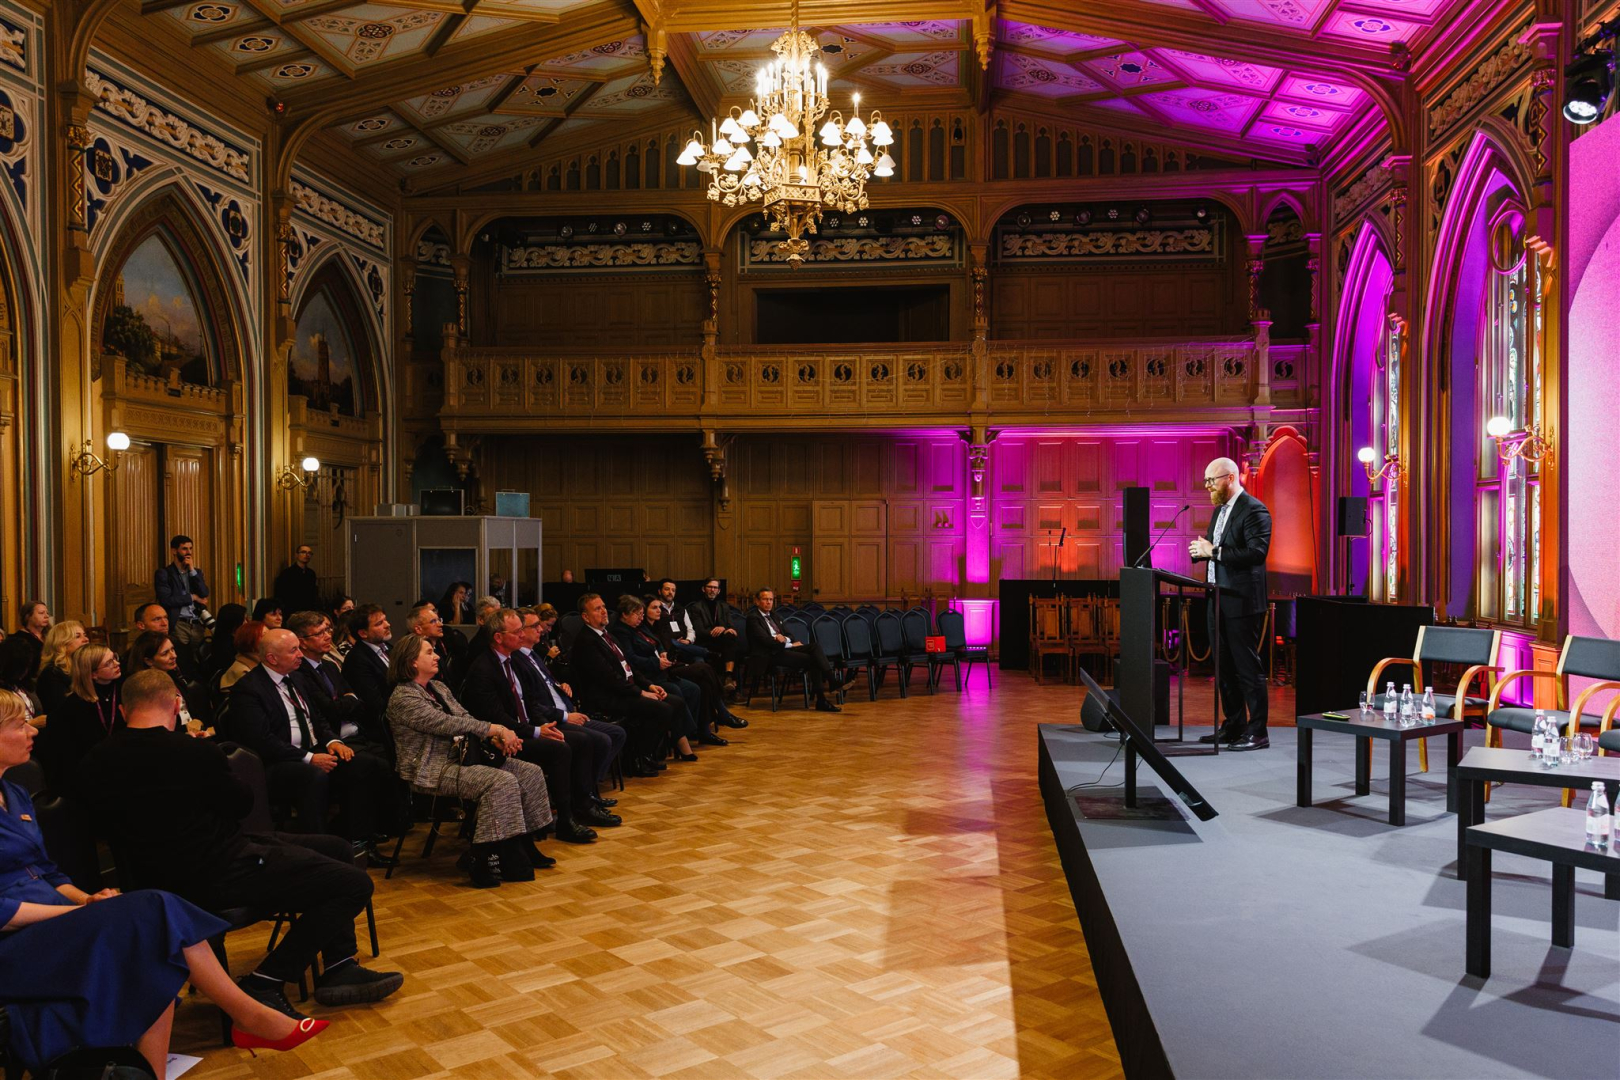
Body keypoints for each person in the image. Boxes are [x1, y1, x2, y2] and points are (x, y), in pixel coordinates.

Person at [0, 693, 325, 1076]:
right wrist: (76, 913)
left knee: (156, 947)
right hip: (15, 943)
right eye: (19, 725)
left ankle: (157, 1069)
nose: (32, 731)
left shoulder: (14, 794)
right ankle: (249, 1017)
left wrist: (87, 899)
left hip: (53, 922)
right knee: (156, 909)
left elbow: (48, 872)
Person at [80, 670, 403, 1021]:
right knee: (354, 883)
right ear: (175, 704)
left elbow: (96, 827)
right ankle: (265, 981)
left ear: (124, 710)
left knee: (336, 849)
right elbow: (240, 804)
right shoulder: (193, 752)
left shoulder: (96, 759)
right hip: (217, 871)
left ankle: (339, 966)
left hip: (152, 877)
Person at [385, 634, 555, 887]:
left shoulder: (438, 688)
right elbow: (446, 724)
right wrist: (496, 729)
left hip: (463, 758)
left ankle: (523, 844)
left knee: (529, 772)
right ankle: (480, 856)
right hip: (432, 770)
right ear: (411, 662)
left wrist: (493, 738)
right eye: (429, 652)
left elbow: (465, 717)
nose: (437, 656)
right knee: (500, 782)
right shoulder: (403, 698)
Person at [226, 629, 396, 861]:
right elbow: (261, 740)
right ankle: (318, 853)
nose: (300, 654)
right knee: (313, 776)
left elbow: (318, 719)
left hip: (313, 749)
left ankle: (358, 844)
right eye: (293, 650)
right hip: (277, 761)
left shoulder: (296, 678)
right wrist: (309, 758)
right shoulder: (248, 689)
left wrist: (333, 741)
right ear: (272, 658)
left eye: (299, 648)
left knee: (362, 765)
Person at [460, 609, 600, 844]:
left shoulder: (513, 660)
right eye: (516, 632)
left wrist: (543, 724)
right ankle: (564, 820)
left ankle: (582, 805)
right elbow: (497, 717)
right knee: (560, 749)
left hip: (526, 727)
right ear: (498, 637)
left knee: (582, 740)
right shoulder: (483, 669)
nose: (522, 636)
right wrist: (536, 732)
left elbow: (531, 701)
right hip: (502, 739)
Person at [1189, 457, 1273, 751]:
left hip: (1241, 602)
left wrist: (1214, 552)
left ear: (1230, 478)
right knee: (1223, 668)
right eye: (1206, 481)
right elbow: (1215, 549)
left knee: (1247, 668)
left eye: (1211, 480)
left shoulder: (1254, 510)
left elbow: (1256, 553)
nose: (1207, 486)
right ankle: (1235, 725)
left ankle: (1258, 732)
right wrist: (1200, 552)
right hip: (1217, 598)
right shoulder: (1219, 511)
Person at [511, 607, 623, 820]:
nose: (541, 630)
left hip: (564, 710)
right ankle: (582, 798)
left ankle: (588, 791)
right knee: (596, 740)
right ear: (520, 632)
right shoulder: (517, 660)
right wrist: (563, 717)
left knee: (615, 733)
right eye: (535, 626)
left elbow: (546, 684)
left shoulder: (533, 655)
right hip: (551, 719)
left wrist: (560, 685)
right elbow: (533, 704)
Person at [569, 593, 686, 777]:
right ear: (585, 616)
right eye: (597, 609)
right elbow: (609, 678)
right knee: (662, 709)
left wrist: (649, 686)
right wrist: (640, 693)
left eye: (603, 606)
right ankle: (637, 759)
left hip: (623, 690)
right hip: (607, 697)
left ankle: (646, 753)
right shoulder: (586, 642)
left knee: (675, 702)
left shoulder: (607, 636)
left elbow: (629, 667)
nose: (604, 611)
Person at [611, 597, 712, 751]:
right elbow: (631, 659)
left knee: (694, 689)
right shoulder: (622, 632)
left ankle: (687, 731)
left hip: (661, 671)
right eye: (637, 614)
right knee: (677, 690)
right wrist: (656, 662)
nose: (641, 618)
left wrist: (662, 652)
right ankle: (680, 735)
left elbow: (656, 643)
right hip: (648, 675)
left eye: (642, 614)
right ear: (625, 614)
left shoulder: (639, 627)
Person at [646, 597, 745, 731]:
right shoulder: (646, 630)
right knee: (704, 668)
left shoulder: (657, 625)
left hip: (673, 661)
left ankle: (705, 731)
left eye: (660, 608)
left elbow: (678, 640)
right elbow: (670, 645)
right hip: (666, 670)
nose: (659, 611)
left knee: (704, 681)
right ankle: (722, 711)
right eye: (655, 608)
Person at [36, 644, 121, 795]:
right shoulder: (73, 706)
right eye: (109, 663)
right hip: (89, 776)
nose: (117, 663)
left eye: (115, 657)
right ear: (93, 674)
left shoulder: (124, 689)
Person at [746, 588, 847, 713]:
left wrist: (785, 640)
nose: (769, 602)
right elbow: (765, 641)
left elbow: (790, 635)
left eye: (771, 599)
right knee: (814, 660)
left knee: (815, 647)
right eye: (765, 599)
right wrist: (788, 644)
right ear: (757, 601)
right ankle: (824, 696)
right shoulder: (753, 618)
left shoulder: (775, 616)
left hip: (782, 650)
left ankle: (830, 683)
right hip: (768, 655)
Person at [123, 631, 211, 735]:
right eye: (165, 653)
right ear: (148, 661)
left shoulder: (175, 678)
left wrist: (198, 724)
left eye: (172, 649)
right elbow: (155, 728)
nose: (174, 655)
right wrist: (186, 729)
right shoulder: (144, 689)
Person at [154, 534, 209, 676]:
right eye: (184, 549)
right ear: (174, 551)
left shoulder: (196, 572)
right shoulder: (164, 573)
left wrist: (192, 571)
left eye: (190, 548)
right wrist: (192, 597)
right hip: (179, 623)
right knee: (182, 660)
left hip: (196, 623)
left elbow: (204, 593)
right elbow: (166, 600)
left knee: (200, 661)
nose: (188, 552)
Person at [686, 578, 741, 692]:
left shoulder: (723, 606)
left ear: (719, 591)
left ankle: (728, 676)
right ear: (703, 589)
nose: (712, 590)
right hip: (705, 641)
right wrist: (721, 631)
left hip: (723, 642)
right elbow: (699, 631)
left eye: (715, 588)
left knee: (731, 639)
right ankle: (730, 682)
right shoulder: (696, 607)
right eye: (710, 587)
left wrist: (724, 628)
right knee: (731, 646)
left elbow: (731, 627)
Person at [342, 604, 393, 721]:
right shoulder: (356, 660)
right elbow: (374, 704)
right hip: (382, 721)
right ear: (363, 633)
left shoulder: (389, 648)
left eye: (385, 620)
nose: (387, 625)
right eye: (379, 623)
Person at [35, 620, 88, 720]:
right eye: (77, 636)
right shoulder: (52, 672)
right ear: (61, 643)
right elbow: (62, 712)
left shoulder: (83, 666)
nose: (86, 639)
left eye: (85, 635)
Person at [0, 601, 50, 692]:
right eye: (41, 613)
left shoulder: (50, 635)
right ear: (28, 616)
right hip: (30, 683)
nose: (46, 616)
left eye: (47, 613)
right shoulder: (19, 639)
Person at [655, 580, 709, 664]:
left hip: (683, 647)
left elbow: (690, 629)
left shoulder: (681, 609)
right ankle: (707, 653)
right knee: (675, 643)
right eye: (667, 589)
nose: (670, 592)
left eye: (673, 590)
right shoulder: (655, 609)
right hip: (666, 647)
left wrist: (688, 640)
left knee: (699, 660)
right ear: (659, 591)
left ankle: (705, 654)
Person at [273, 545, 321, 617]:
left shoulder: (311, 573)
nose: (307, 555)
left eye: (309, 553)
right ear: (296, 555)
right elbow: (281, 594)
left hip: (308, 611)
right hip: (291, 611)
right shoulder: (287, 573)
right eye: (303, 552)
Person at [220, 619, 266, 691]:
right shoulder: (243, 671)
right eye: (264, 636)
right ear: (250, 640)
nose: (270, 639)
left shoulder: (260, 661)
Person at [205, 603, 249, 678]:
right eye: (243, 620)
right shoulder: (224, 646)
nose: (246, 623)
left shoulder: (230, 638)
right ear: (233, 622)